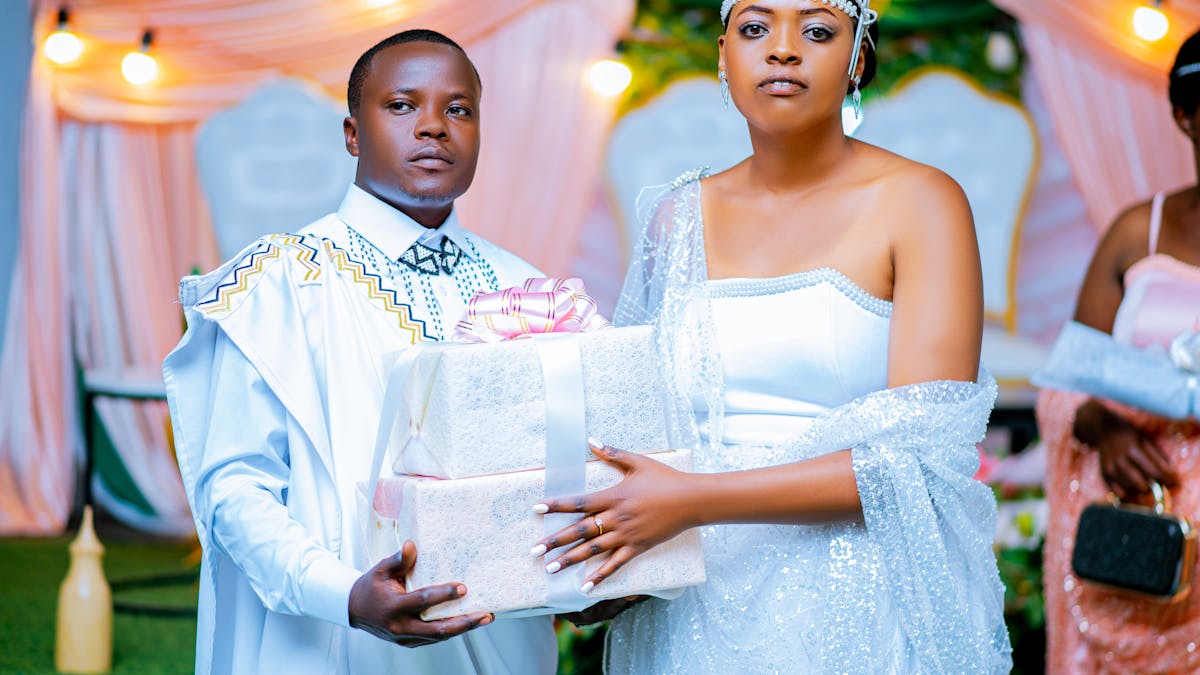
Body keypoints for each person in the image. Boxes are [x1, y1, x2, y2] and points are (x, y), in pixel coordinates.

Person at [533, 0, 1012, 672]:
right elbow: (641, 428)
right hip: (692, 610)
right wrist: (608, 552)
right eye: (755, 28)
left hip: (853, 605)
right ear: (723, 56)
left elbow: (923, 456)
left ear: (857, 59)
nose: (782, 49)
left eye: (817, 31)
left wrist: (689, 499)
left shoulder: (922, 201)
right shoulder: (676, 217)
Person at [163, 30, 556, 675]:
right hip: (329, 634)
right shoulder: (278, 283)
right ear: (352, 133)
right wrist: (343, 595)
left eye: (459, 109)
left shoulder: (527, 288)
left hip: (501, 632)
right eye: (402, 105)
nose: (433, 126)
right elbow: (233, 487)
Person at [1038, 28, 1200, 674]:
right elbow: (1066, 380)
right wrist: (1101, 427)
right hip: (1144, 523)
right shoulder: (1140, 230)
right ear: (1185, 117)